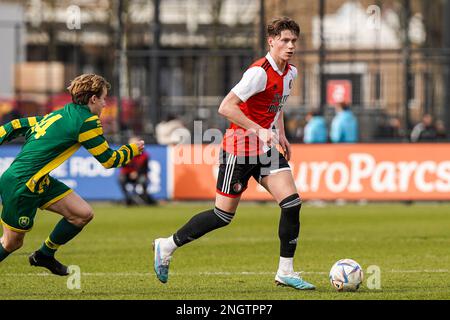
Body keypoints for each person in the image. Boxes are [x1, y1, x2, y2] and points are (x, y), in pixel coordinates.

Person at [153, 17, 315, 290]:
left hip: (264, 150)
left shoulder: (291, 73)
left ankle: (285, 271)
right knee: (222, 216)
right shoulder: (258, 72)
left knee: (291, 203)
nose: (290, 46)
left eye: (294, 41)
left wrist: (281, 133)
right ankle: (166, 245)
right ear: (271, 41)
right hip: (238, 150)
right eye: (285, 40)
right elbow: (226, 107)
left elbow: (277, 105)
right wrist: (258, 129)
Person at [0, 74, 144, 275]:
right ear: (93, 99)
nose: (104, 104)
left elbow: (15, 125)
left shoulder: (60, 113)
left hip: (36, 181)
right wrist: (132, 150)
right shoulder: (87, 122)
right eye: (103, 98)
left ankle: (44, 255)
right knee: (11, 242)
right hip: (22, 185)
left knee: (81, 214)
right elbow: (109, 160)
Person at [119, 136, 157, 206]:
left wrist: (137, 173)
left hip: (139, 175)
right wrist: (130, 173)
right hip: (127, 175)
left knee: (143, 180)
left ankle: (145, 199)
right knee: (121, 178)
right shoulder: (125, 154)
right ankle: (128, 199)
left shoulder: (144, 155)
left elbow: (145, 168)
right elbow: (123, 167)